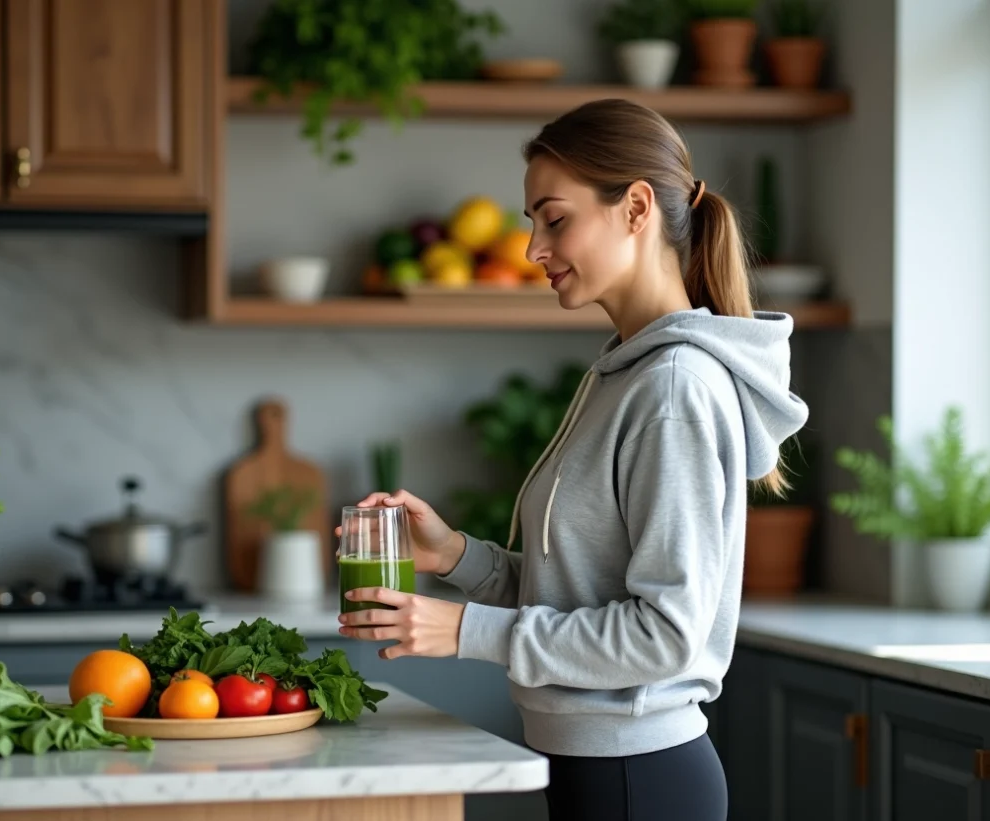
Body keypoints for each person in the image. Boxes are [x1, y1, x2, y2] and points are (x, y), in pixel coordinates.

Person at [336, 98, 809, 821]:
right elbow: (585, 590)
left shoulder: (673, 387)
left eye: (554, 218)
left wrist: (461, 629)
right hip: (602, 767)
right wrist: (457, 555)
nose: (533, 248)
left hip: (639, 777)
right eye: (532, 222)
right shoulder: (623, 371)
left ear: (636, 207)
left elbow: (664, 633)